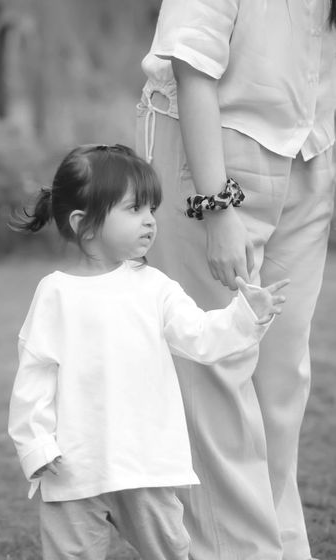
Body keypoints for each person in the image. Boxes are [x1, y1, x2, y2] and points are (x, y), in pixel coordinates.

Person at [7, 144, 288, 560]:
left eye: (151, 209)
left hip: (145, 463)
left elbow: (202, 337)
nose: (150, 221)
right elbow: (35, 376)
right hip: (74, 468)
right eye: (134, 209)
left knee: (170, 552)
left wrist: (247, 315)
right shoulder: (55, 294)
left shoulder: (155, 287)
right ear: (84, 224)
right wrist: (36, 447)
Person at [136, 2, 336, 560]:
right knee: (214, 368)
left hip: (309, 156)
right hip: (210, 154)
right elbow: (191, 63)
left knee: (281, 380)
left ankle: (284, 546)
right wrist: (215, 205)